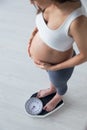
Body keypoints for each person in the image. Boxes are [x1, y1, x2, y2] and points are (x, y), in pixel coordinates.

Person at [28, 0, 87, 112]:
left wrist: (53, 68)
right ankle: (52, 89)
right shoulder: (48, 4)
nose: (31, 3)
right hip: (47, 65)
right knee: (53, 80)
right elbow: (41, 24)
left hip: (60, 67)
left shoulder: (78, 21)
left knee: (60, 84)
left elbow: (85, 55)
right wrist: (31, 38)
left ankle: (58, 96)